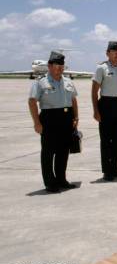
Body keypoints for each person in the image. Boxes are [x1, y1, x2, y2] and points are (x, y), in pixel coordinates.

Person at [28, 51, 79, 192]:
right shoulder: (41, 82)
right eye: (57, 65)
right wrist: (36, 123)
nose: (60, 68)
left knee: (63, 152)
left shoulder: (68, 82)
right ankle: (50, 183)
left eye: (62, 66)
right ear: (49, 66)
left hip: (67, 119)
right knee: (48, 153)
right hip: (49, 120)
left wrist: (76, 117)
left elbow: (73, 100)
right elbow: (32, 101)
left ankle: (61, 179)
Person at [92, 41, 117, 181]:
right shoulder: (101, 68)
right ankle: (107, 171)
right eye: (114, 52)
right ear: (107, 53)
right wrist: (96, 110)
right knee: (106, 140)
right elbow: (94, 90)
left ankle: (115, 168)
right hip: (106, 106)